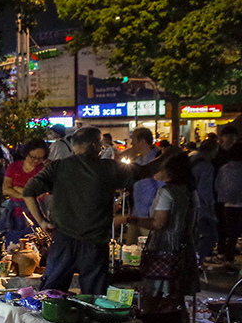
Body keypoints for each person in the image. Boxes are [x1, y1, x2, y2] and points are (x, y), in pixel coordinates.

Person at [23, 126, 174, 295]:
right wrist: (168, 154)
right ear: (94, 146)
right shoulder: (108, 168)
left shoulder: (58, 167)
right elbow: (147, 170)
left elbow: (28, 191)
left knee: (50, 295)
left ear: (74, 146)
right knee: (94, 298)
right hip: (94, 244)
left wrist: (42, 221)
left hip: (63, 241)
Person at [116, 152, 198, 323]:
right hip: (185, 249)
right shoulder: (190, 192)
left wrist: (129, 219)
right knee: (178, 300)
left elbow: (159, 223)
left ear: (169, 171)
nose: (155, 171)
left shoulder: (167, 192)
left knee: (152, 299)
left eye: (159, 167)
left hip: (164, 250)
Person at [0, 139, 47, 244]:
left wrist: (17, 189)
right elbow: (5, 189)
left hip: (36, 213)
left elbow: (40, 194)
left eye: (40, 158)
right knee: (12, 246)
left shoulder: (43, 170)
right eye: (32, 157)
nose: (35, 161)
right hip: (14, 214)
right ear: (26, 153)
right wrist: (28, 195)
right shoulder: (14, 167)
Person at [125, 127, 164, 244]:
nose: (132, 144)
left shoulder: (156, 161)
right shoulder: (138, 161)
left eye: (134, 140)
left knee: (148, 251)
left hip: (149, 218)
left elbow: (162, 189)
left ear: (142, 142)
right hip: (136, 214)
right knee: (129, 251)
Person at [190, 138, 219, 263]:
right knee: (210, 236)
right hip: (201, 208)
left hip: (189, 204)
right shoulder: (206, 166)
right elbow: (205, 191)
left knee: (194, 237)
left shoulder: (191, 160)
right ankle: (195, 262)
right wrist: (212, 208)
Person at [215, 141, 242, 268]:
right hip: (239, 203)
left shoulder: (224, 169)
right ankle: (229, 258)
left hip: (227, 204)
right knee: (234, 233)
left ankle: (227, 257)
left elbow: (217, 185)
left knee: (231, 233)